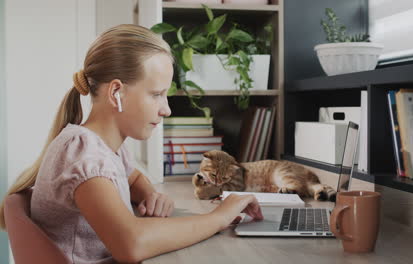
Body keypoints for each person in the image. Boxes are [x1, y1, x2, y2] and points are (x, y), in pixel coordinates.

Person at [0, 24, 263, 264]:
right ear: (117, 93)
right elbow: (131, 244)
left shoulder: (102, 145)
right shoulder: (83, 154)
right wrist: (219, 217)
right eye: (157, 94)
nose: (166, 110)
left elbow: (130, 176)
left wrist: (149, 193)